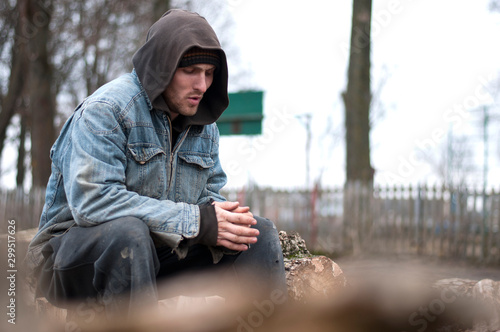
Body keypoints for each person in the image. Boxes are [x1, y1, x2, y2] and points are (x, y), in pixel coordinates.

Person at [26, 9, 286, 320]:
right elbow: (93, 203)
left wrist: (221, 219)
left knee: (257, 234)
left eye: (209, 73)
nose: (202, 85)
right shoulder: (107, 111)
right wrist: (195, 221)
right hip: (71, 259)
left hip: (155, 254)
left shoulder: (205, 126)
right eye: (191, 71)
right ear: (163, 67)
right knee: (130, 235)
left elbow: (208, 198)